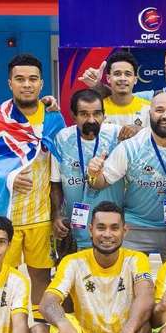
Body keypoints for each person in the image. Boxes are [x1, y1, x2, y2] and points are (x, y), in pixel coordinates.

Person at [0, 53, 66, 332]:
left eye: (33, 79)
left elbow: (60, 163)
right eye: (20, 79)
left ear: (41, 84)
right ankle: (1, 331)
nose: (27, 84)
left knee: (41, 277)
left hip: (41, 217)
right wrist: (10, 176)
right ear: (10, 83)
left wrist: (58, 211)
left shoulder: (52, 118)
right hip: (5, 217)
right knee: (2, 277)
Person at [39, 202, 154, 333]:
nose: (107, 234)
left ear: (124, 230)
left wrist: (127, 332)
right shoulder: (72, 262)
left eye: (114, 228)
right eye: (101, 227)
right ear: (90, 229)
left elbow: (146, 297)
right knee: (61, 328)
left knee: (143, 326)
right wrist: (63, 325)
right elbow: (47, 303)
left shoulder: (136, 259)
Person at [89, 92, 166, 262]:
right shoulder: (132, 146)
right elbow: (101, 183)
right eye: (159, 110)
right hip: (136, 226)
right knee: (129, 283)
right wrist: (94, 174)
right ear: (150, 114)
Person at [50, 89, 126, 254]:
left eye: (97, 114)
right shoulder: (62, 139)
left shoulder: (116, 134)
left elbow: (147, 137)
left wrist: (135, 128)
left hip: (110, 227)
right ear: (73, 115)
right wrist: (56, 215)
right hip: (72, 227)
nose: (91, 120)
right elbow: (55, 183)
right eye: (84, 114)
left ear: (104, 115)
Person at [93, 50, 151, 139]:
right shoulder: (97, 109)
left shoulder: (148, 109)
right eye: (117, 74)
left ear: (135, 79)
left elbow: (158, 139)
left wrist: (140, 131)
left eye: (128, 74)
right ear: (108, 78)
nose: (122, 78)